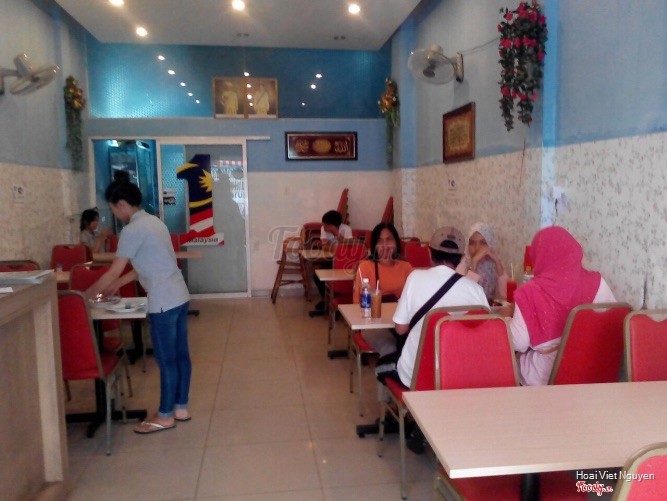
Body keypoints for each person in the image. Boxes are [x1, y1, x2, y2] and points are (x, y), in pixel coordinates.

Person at [86, 180, 192, 434]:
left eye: (113, 208)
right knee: (181, 356)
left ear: (122, 204)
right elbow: (145, 266)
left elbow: (114, 270)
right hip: (179, 295)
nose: (114, 214)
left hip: (163, 301)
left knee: (166, 361)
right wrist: (117, 284)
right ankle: (180, 408)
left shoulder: (132, 230)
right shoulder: (155, 222)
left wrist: (82, 297)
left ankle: (165, 416)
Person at [500, 226, 616, 386]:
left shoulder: (530, 293)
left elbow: (517, 343)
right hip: (592, 375)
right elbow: (613, 324)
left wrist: (505, 318)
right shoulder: (597, 282)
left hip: (545, 382)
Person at [352, 222, 413, 355]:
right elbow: (358, 304)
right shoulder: (365, 267)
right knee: (391, 348)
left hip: (400, 322)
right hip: (373, 324)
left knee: (414, 345)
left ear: (396, 242)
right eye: (380, 241)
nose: (385, 245)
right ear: (374, 245)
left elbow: (412, 300)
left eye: (389, 239)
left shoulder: (406, 267)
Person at [312, 210, 353, 310]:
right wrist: (338, 247)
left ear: (332, 225)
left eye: (326, 225)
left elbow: (350, 246)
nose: (323, 226)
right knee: (317, 275)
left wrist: (336, 234)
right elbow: (324, 247)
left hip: (345, 261)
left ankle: (335, 300)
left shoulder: (346, 229)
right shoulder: (323, 229)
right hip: (330, 259)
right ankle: (326, 300)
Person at [456, 222, 508, 300]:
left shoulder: (493, 264)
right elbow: (465, 295)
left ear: (490, 244)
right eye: (472, 243)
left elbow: (506, 295)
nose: (477, 248)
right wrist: (473, 262)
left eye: (483, 243)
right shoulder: (463, 265)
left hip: (490, 307)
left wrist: (497, 262)